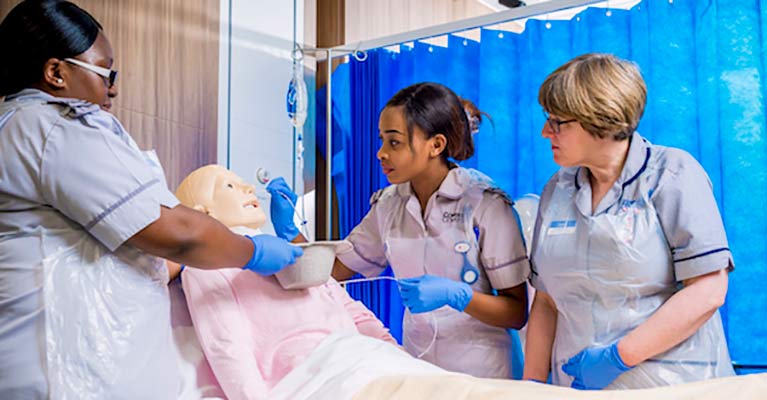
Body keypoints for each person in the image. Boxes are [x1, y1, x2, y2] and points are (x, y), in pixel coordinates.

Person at [0, 1, 301, 398]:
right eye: (106, 72)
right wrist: (252, 250)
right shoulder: (56, 127)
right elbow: (179, 235)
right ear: (56, 72)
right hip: (64, 369)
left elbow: (140, 255)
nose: (114, 87)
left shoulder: (19, 126)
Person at [268, 82, 531, 379]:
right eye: (381, 141)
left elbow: (516, 312)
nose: (380, 153)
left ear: (436, 145)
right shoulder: (389, 205)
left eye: (394, 142)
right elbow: (328, 274)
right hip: (418, 368)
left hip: (483, 373)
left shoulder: (485, 204)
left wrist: (460, 297)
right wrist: (290, 231)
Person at [522, 53, 735, 389]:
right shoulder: (557, 189)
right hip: (578, 385)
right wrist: (530, 385)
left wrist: (618, 357)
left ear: (600, 119)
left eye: (558, 121)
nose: (546, 132)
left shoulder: (671, 175)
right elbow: (546, 301)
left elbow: (708, 290)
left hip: (672, 384)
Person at [170, 165, 399, 399]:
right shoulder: (209, 268)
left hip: (365, 359)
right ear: (202, 215)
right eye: (230, 185)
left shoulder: (284, 252)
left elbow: (351, 310)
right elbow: (228, 348)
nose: (249, 188)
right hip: (313, 376)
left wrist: (397, 355)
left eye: (243, 183)